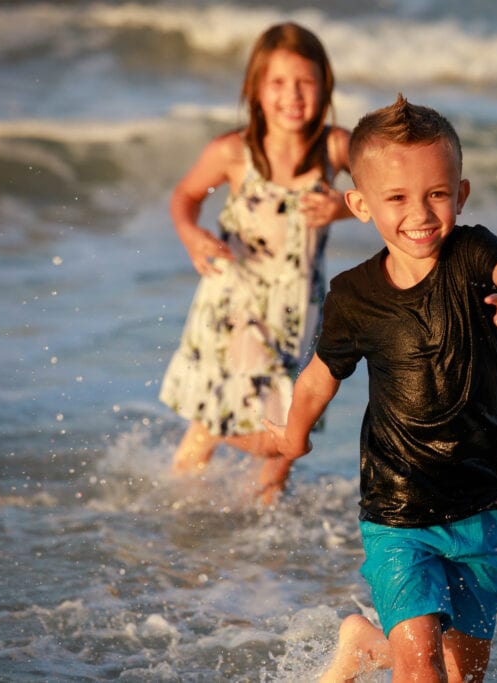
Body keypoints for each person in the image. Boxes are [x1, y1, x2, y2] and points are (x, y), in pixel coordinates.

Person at [263, 94, 497, 682]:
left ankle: (366, 645)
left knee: (460, 672)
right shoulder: (353, 296)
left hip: (480, 502)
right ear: (360, 204)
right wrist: (294, 441)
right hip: (397, 507)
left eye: (436, 194)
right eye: (396, 198)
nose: (419, 213)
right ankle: (388, 649)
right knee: (422, 667)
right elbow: (319, 377)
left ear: (461, 194)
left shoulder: (472, 254)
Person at [159, 22, 353, 501]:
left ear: (325, 86)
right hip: (234, 301)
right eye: (278, 83)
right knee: (229, 418)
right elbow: (185, 196)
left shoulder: (335, 147)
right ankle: (174, 509)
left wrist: (343, 206)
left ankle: (267, 537)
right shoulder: (233, 152)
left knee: (293, 424)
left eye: (305, 82)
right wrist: (191, 234)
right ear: (255, 90)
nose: (293, 95)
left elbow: (384, 190)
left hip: (301, 309)